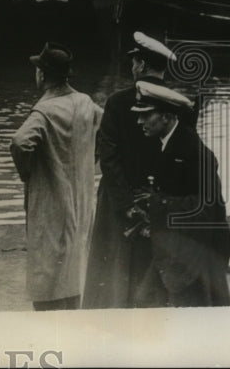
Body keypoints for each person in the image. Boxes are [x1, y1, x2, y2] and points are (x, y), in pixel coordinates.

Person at [84, 32, 176, 309]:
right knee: (152, 278)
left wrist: (126, 205)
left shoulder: (117, 102)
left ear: (142, 65)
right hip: (159, 200)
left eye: (135, 62)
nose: (132, 67)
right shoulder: (178, 104)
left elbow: (108, 159)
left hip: (117, 201)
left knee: (111, 276)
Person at [10, 42, 102, 311]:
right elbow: (108, 127)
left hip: (51, 202)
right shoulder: (85, 102)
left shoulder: (45, 111)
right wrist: (92, 161)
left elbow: (19, 142)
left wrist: (29, 172)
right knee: (74, 267)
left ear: (42, 75)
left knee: (47, 269)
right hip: (81, 199)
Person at [129, 81, 230, 307]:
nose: (139, 122)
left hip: (200, 251)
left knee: (195, 312)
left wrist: (157, 202)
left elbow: (207, 208)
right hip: (184, 244)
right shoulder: (169, 143)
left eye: (146, 115)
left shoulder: (194, 153)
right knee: (149, 301)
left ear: (167, 117)